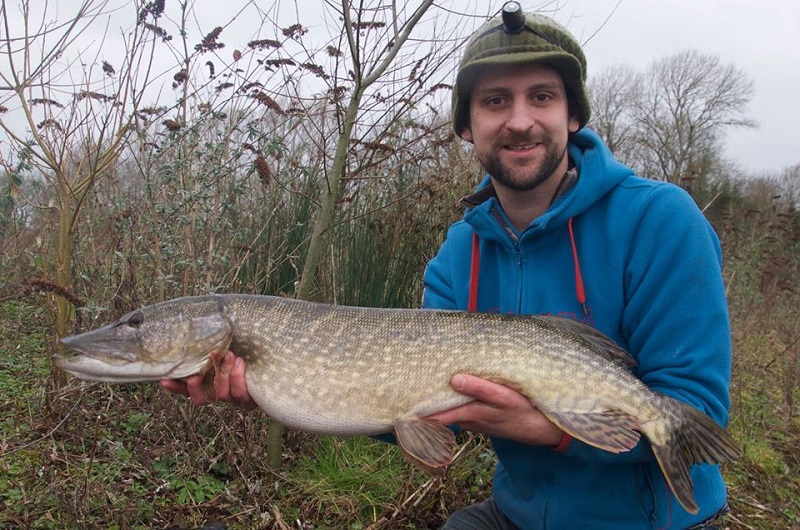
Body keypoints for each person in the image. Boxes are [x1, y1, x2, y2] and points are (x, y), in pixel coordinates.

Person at [162, 2, 734, 528]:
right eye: (494, 101)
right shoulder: (459, 254)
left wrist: (545, 430)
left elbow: (694, 408)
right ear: (466, 126)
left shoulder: (661, 220)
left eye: (542, 96)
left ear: (573, 115)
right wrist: (265, 389)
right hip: (518, 514)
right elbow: (422, 405)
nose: (519, 120)